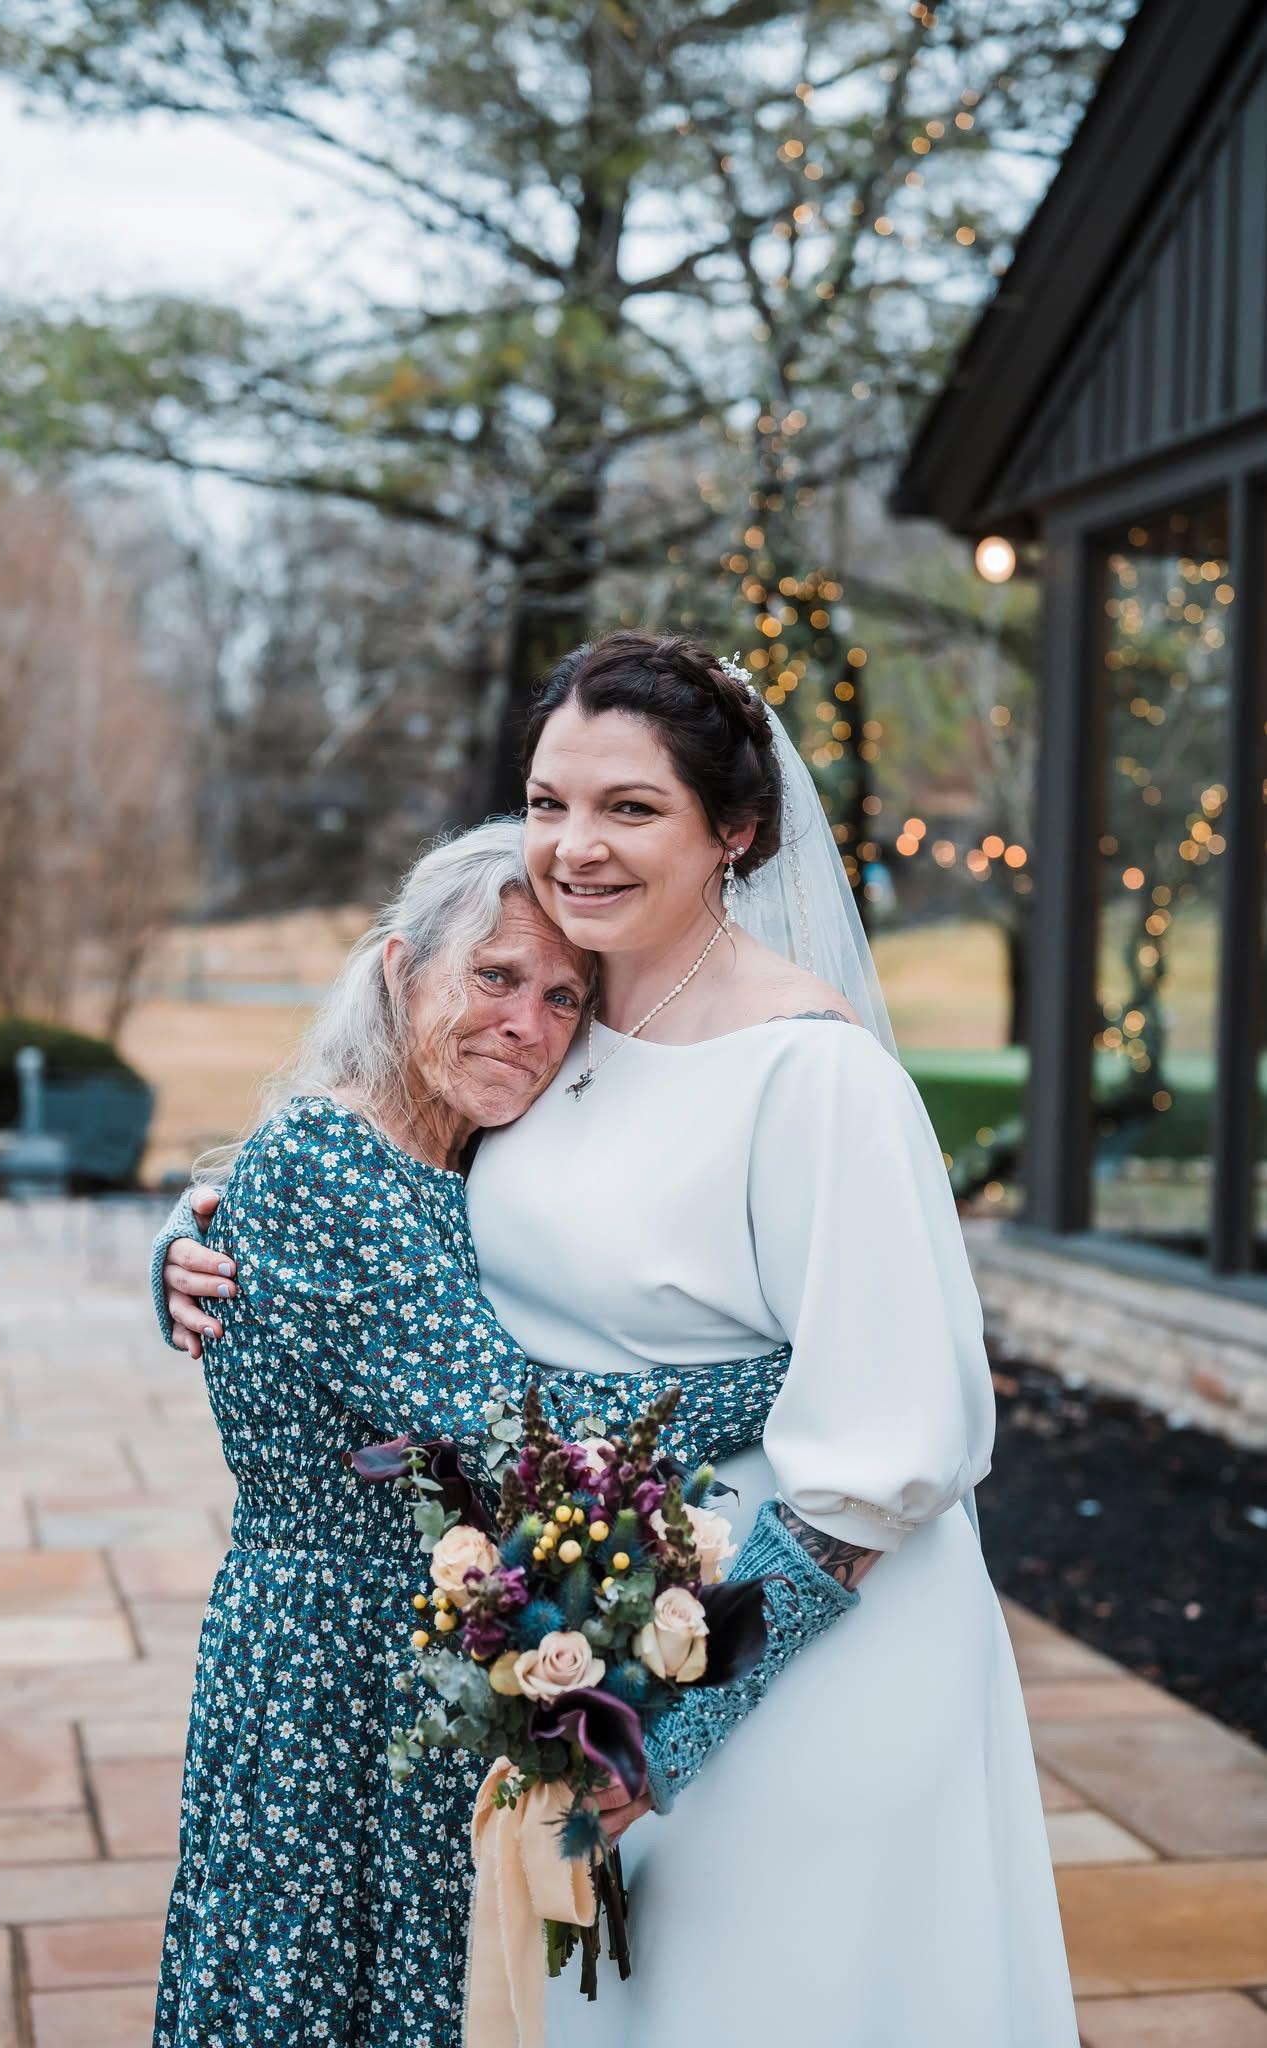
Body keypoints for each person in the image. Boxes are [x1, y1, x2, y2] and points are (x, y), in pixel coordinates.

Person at [159, 631, 1079, 2046]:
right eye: (547, 803)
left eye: (629, 809)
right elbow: (401, 1211)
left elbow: (879, 1459)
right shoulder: (567, 1019)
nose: (573, 847)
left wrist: (669, 1730)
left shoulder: (812, 1077)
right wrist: (202, 1245)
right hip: (581, 1647)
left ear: (737, 833)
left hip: (783, 1671)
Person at [146, 821, 791, 2048]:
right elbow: (518, 1436)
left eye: (562, 997)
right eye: (493, 977)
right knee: (309, 1990)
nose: (528, 1023)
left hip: (429, 1654)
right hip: (328, 1669)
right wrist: (805, 1370)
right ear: (399, 971)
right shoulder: (333, 1159)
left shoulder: (466, 1150)